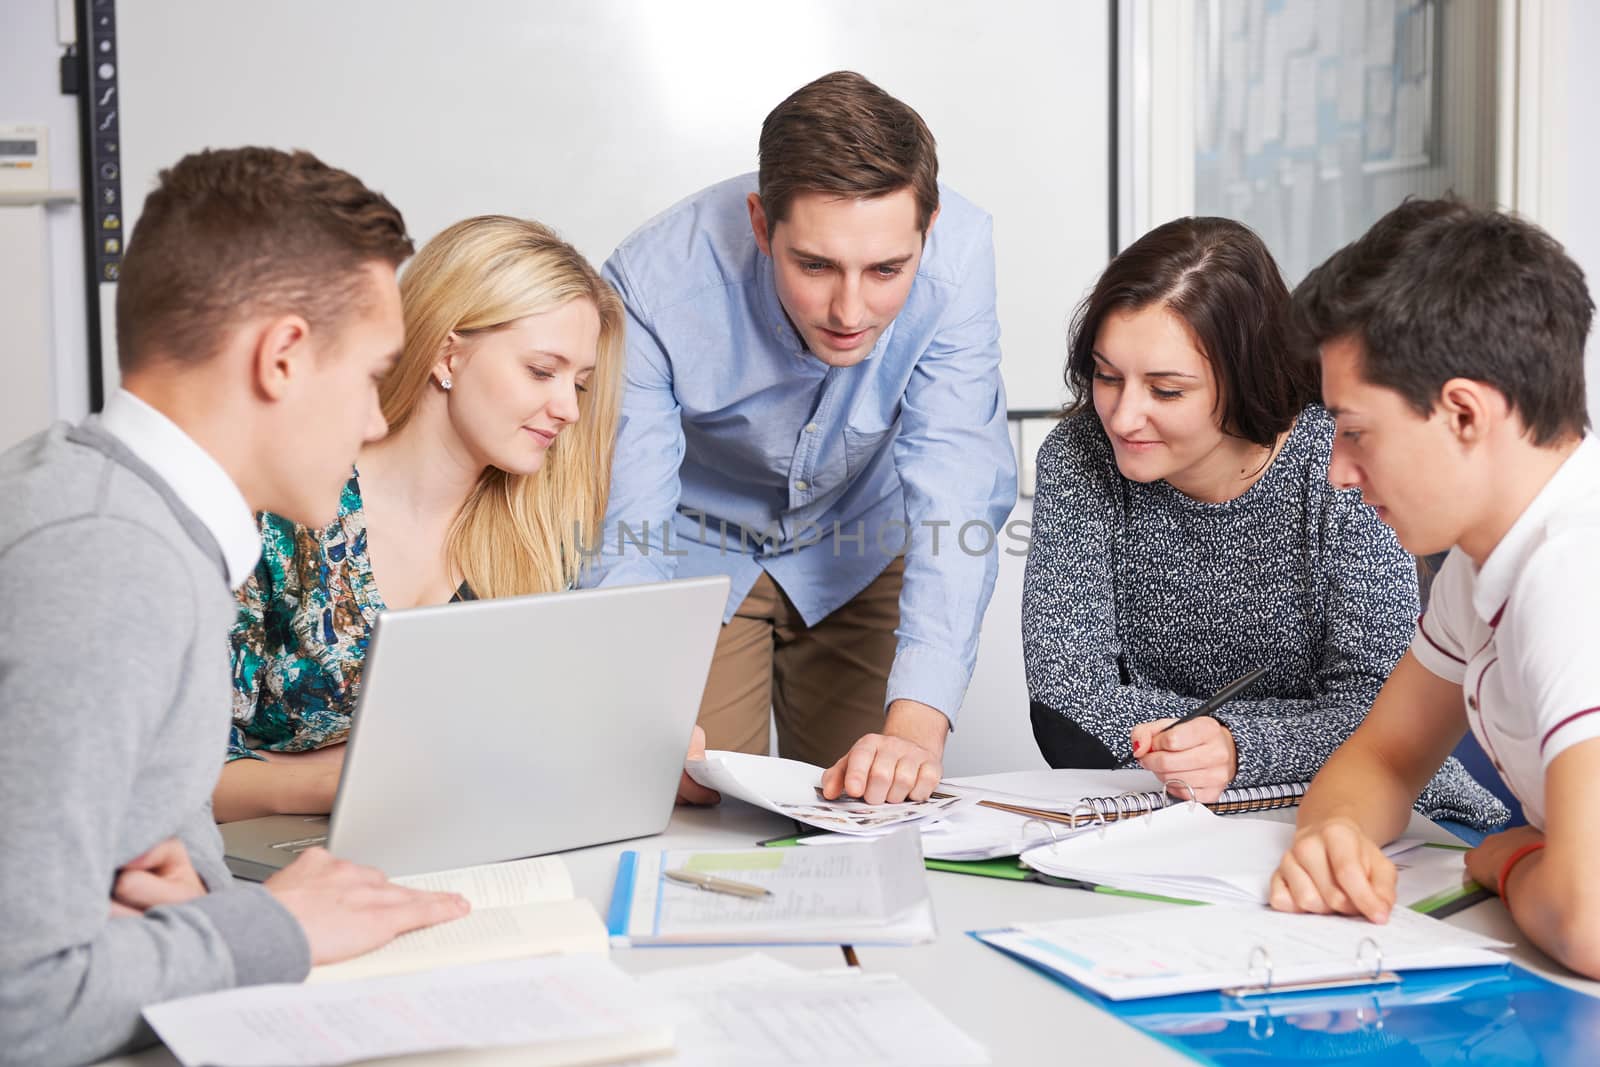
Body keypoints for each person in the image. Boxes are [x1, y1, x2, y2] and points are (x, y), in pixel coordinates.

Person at [0, 148, 468, 1067]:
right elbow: (22, 999)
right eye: (374, 375)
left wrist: (203, 910)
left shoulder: (123, 513)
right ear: (283, 356)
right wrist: (271, 926)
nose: (378, 419)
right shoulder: (112, 562)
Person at [589, 71, 1017, 804]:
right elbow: (629, 517)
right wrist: (638, 706)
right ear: (761, 225)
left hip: (860, 540)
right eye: (815, 265)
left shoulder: (962, 254)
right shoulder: (652, 286)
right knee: (695, 806)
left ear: (929, 226)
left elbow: (958, 480)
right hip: (701, 549)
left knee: (871, 806)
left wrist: (919, 724)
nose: (850, 309)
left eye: (887, 269)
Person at [1022, 216, 1504, 831]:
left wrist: (1237, 744)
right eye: (1106, 376)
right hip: (1158, 817)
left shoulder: (1341, 463)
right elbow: (1064, 699)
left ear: (1243, 376)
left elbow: (1379, 714)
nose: (1122, 416)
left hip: (1375, 809)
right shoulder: (1079, 454)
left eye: (1167, 391)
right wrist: (1199, 750)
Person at [1268, 198, 1600, 978]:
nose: (1336, 471)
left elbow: (1590, 920)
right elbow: (1385, 756)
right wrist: (1336, 835)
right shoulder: (1486, 558)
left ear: (1462, 412)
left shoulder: (1572, 566)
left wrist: (1508, 863)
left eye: (1355, 430)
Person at [217, 215, 625, 821]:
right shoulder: (279, 515)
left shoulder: (533, 539)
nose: (567, 408)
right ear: (446, 353)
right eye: (542, 371)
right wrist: (347, 782)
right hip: (271, 857)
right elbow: (178, 771)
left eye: (581, 385)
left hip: (460, 839)